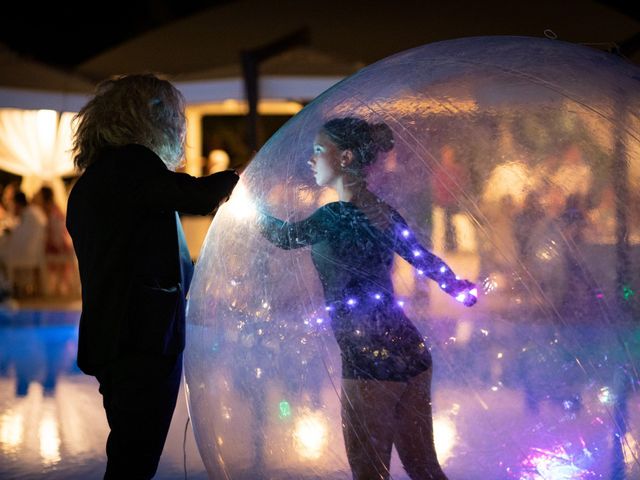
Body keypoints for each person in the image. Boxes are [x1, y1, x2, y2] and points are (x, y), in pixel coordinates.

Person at [257, 117, 476, 480]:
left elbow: (285, 237)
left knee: (369, 474)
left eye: (317, 151)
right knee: (425, 469)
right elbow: (422, 257)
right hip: (410, 350)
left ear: (344, 158)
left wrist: (243, 205)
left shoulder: (334, 216)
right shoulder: (383, 212)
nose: (311, 160)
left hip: (368, 358)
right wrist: (457, 287)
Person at [65, 73, 239, 479]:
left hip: (114, 340)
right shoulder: (131, 164)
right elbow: (195, 195)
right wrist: (239, 178)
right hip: (141, 341)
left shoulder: (97, 181)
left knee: (129, 451)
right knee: (134, 460)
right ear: (150, 118)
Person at [34, 185, 75, 295]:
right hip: (62, 246)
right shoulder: (52, 209)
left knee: (36, 254)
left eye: (39, 195)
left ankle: (43, 289)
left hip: (59, 247)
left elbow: (56, 234)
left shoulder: (51, 211)